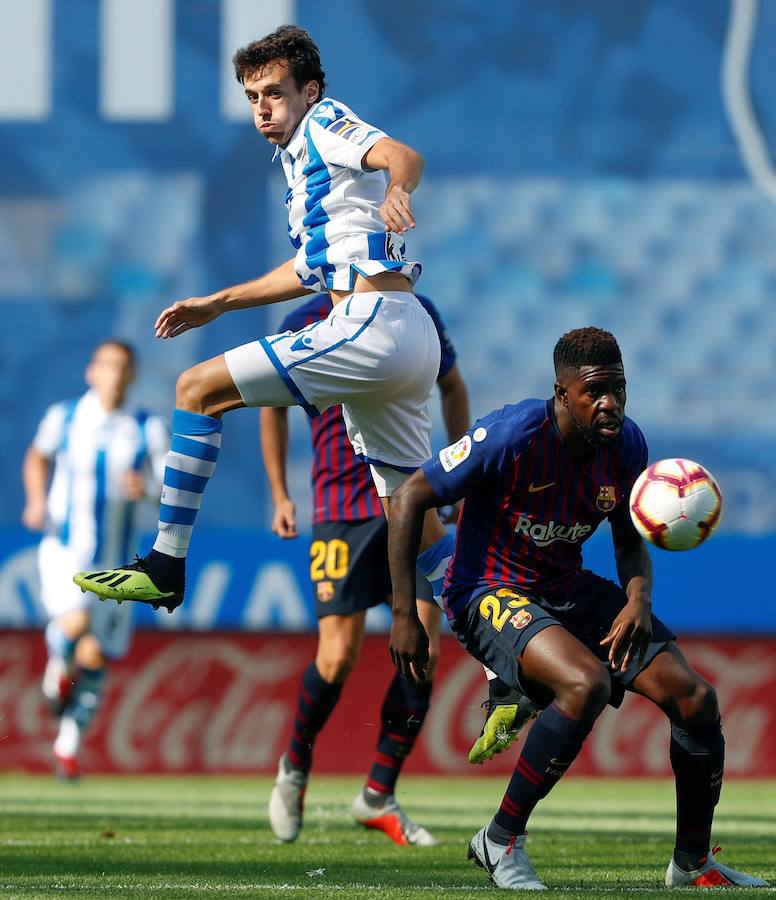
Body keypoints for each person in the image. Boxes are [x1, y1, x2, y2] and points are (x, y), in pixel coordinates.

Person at [73, 24, 456, 621]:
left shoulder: (324, 121)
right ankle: (509, 643)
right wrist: (218, 302)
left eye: (275, 93)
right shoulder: (303, 167)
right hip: (406, 334)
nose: (262, 109)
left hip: (371, 325)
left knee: (195, 389)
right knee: (415, 521)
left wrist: (397, 190)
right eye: (253, 97)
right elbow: (306, 269)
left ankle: (165, 564)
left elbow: (404, 156)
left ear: (310, 90)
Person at [385, 327, 768, 890]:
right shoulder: (511, 435)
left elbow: (630, 539)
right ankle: (499, 840)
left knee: (695, 698)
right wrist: (404, 614)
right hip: (488, 591)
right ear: (563, 393)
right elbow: (408, 497)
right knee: (584, 684)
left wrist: (638, 599)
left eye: (618, 388)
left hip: (566, 588)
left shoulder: (627, 446)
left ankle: (692, 864)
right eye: (595, 391)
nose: (610, 402)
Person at [261, 291, 468, 846]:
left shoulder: (415, 309)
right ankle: (294, 767)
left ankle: (378, 793)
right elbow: (271, 405)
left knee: (425, 651)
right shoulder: (302, 320)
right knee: (336, 656)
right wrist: (280, 492)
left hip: (410, 497)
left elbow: (452, 384)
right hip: (341, 508)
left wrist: (458, 474)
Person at [21, 340, 167, 779]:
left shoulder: (146, 427)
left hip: (119, 562)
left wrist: (146, 489)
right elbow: (37, 457)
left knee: (96, 657)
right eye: (107, 365)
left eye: (123, 367)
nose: (115, 374)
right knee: (75, 624)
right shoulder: (65, 417)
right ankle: (56, 673)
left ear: (132, 375)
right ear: (92, 372)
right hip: (65, 548)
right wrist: (35, 500)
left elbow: (168, 489)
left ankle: (67, 751)